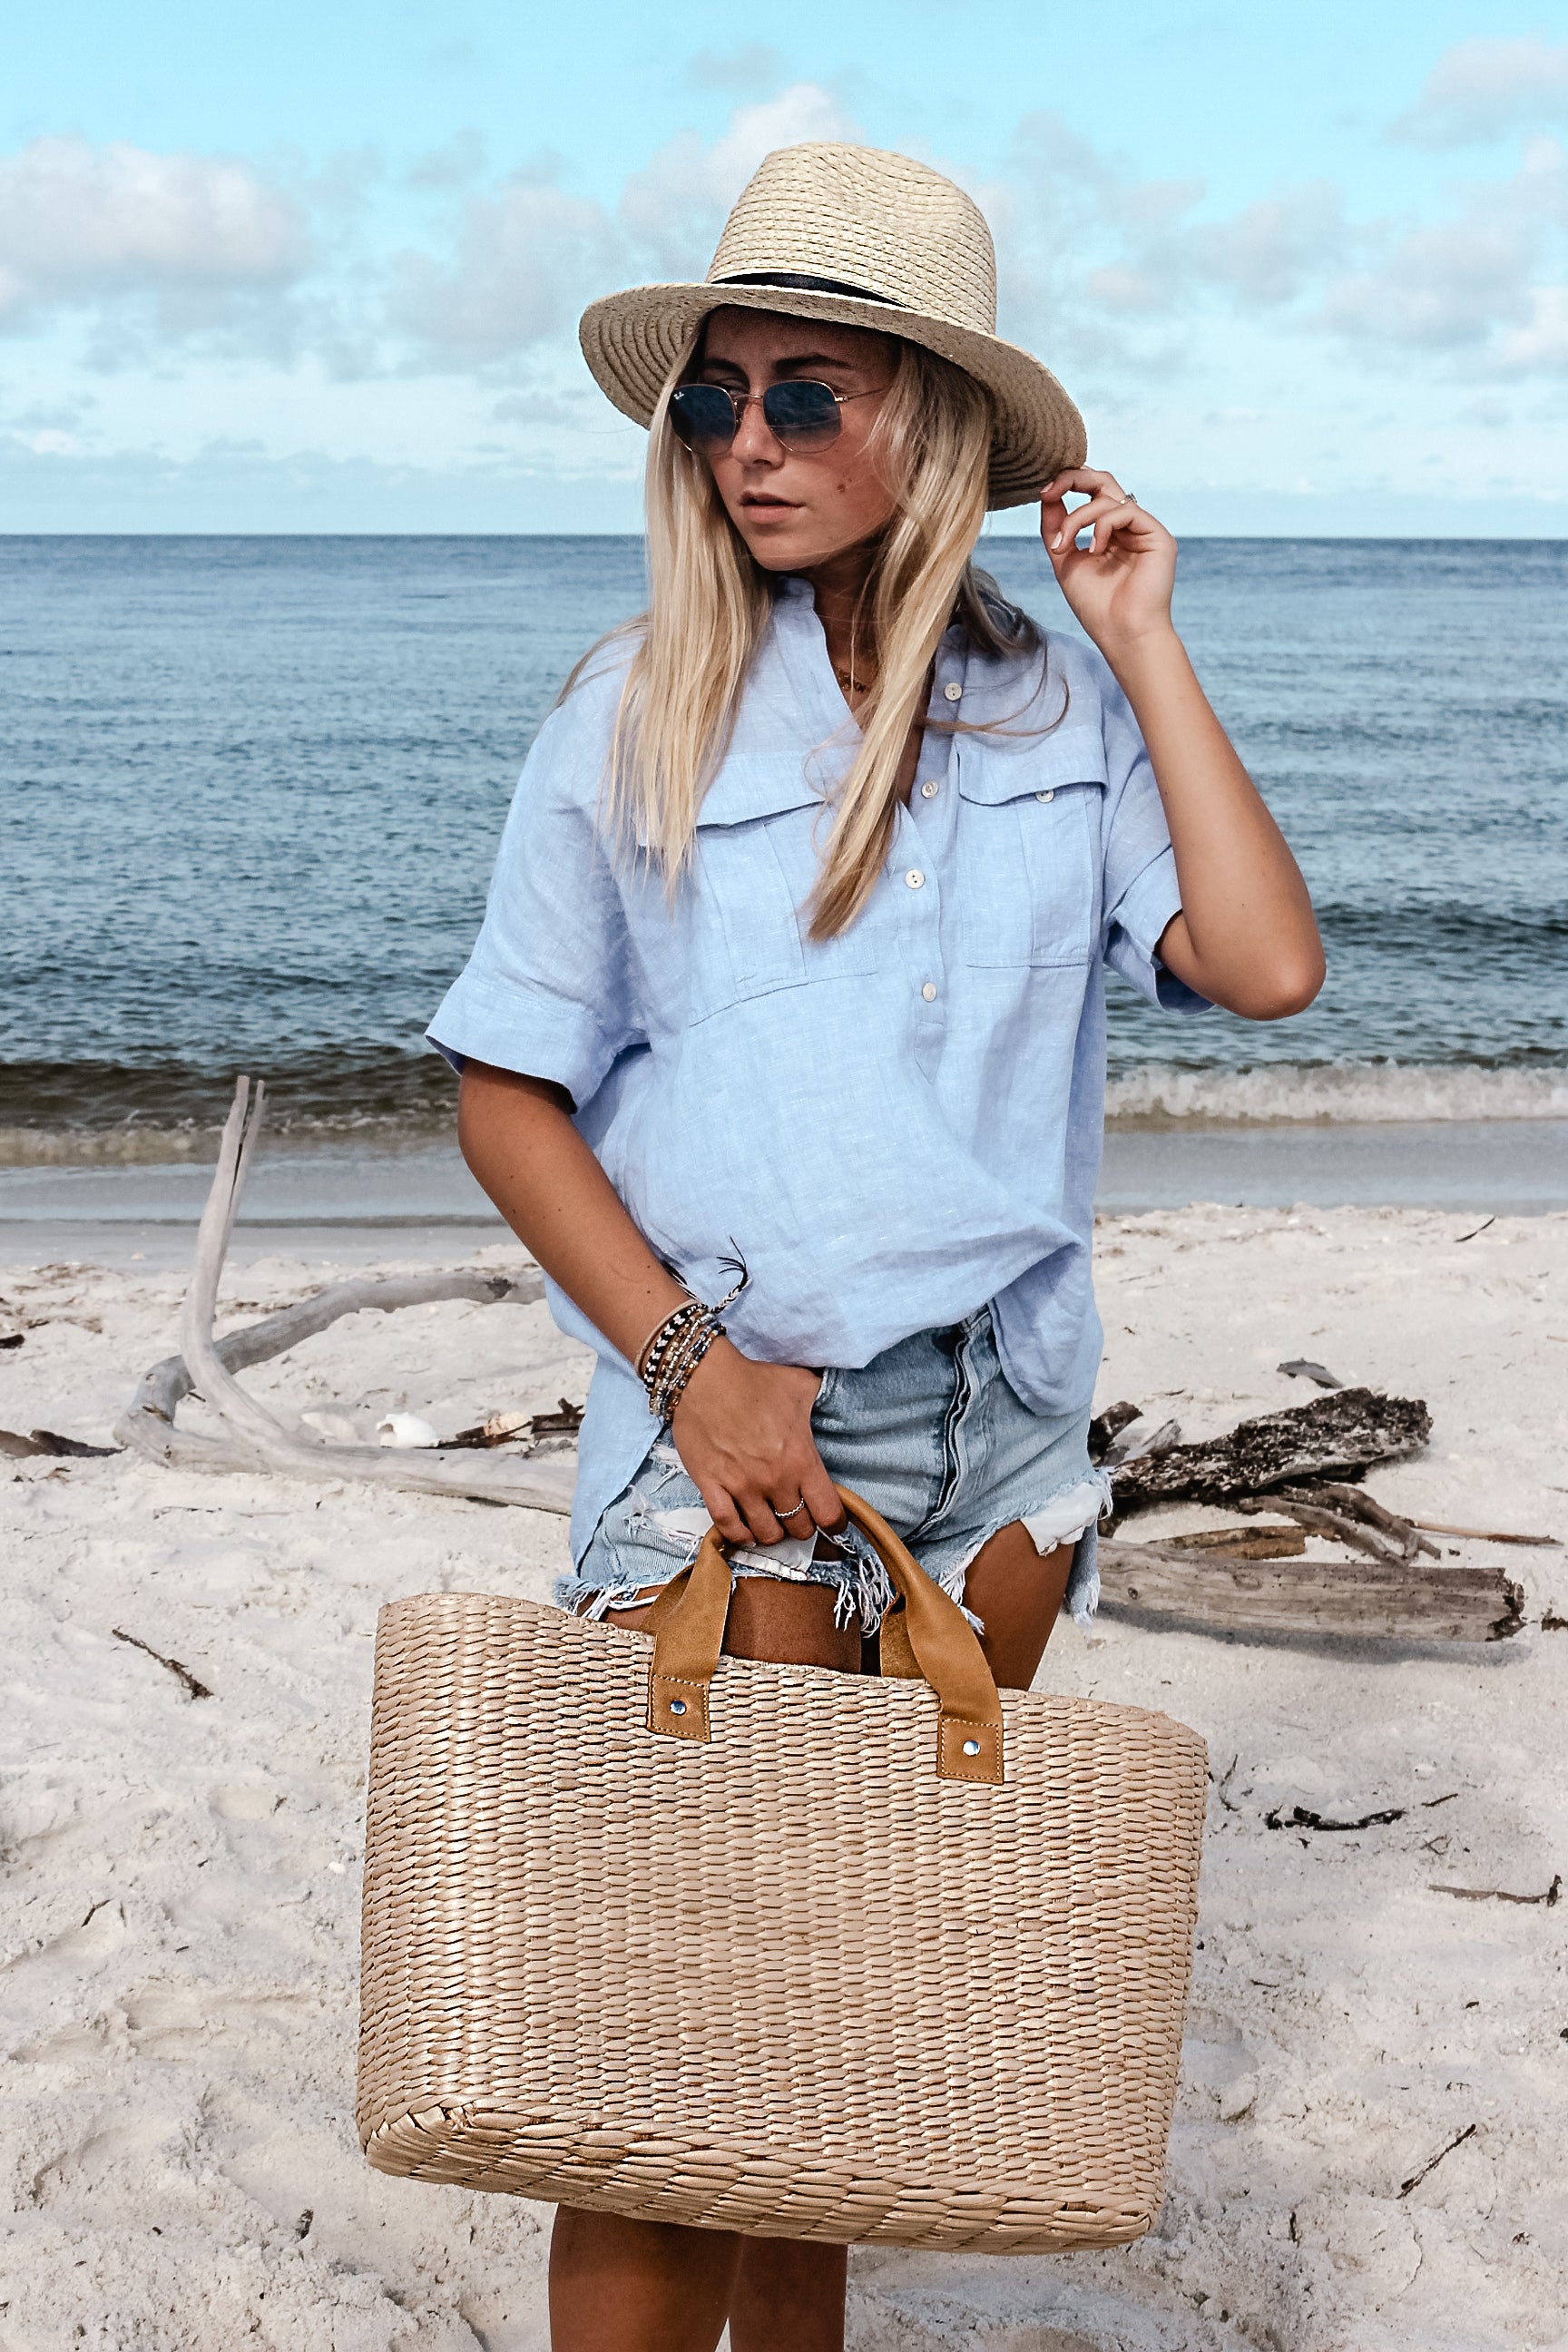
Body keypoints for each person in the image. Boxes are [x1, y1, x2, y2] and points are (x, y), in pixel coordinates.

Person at [430, 140, 1323, 2352]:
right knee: (658, 2075)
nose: (745, 443)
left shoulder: (1058, 708)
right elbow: (502, 1094)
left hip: (1005, 1443)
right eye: (712, 402)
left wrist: (1141, 635)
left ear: (927, 421)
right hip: (745, 1424)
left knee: (822, 2058)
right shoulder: (625, 710)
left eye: (803, 396)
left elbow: (1266, 964)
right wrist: (686, 1378)